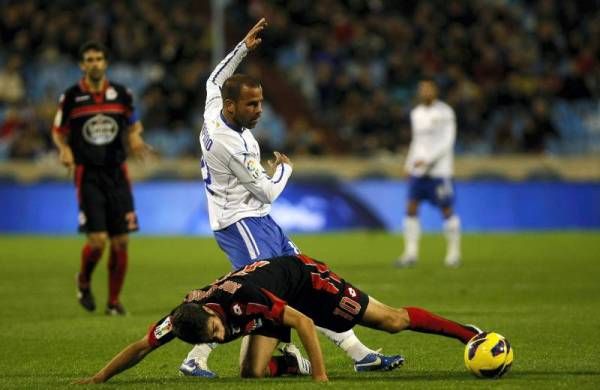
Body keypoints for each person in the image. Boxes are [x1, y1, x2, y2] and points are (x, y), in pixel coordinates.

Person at [180, 18, 402, 378]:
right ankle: (196, 356)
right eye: (252, 104)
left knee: (308, 282)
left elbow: (213, 80)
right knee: (254, 295)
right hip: (241, 223)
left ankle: (360, 353)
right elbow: (267, 190)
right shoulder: (232, 144)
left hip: (258, 220)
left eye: (261, 102)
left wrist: (242, 48)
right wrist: (285, 169)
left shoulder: (214, 111)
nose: (260, 110)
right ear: (232, 107)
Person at [74, 253, 484, 384]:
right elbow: (141, 347)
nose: (217, 339)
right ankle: (287, 363)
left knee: (391, 320)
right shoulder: (184, 317)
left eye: (216, 331)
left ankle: (468, 334)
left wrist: (321, 377)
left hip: (306, 281)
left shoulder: (242, 298)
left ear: (211, 312)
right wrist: (97, 378)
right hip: (272, 302)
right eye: (212, 339)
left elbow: (303, 321)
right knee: (251, 374)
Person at [51, 41, 152, 315]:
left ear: (105, 63)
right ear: (82, 65)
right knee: (97, 241)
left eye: (98, 58)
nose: (94, 63)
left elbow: (133, 126)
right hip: (88, 174)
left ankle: (114, 303)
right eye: (89, 59)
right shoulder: (71, 97)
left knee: (121, 241)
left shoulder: (122, 94)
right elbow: (59, 131)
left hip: (117, 173)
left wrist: (136, 141)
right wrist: (64, 150)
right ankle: (83, 279)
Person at [395, 79, 461, 268]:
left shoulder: (445, 112)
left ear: (435, 91)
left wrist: (428, 160)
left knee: (446, 209)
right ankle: (411, 254)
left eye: (428, 89)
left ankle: (453, 253)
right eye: (422, 89)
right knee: (410, 208)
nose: (425, 92)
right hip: (418, 171)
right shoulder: (416, 114)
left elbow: (447, 142)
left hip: (440, 172)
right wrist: (409, 164)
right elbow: (416, 142)